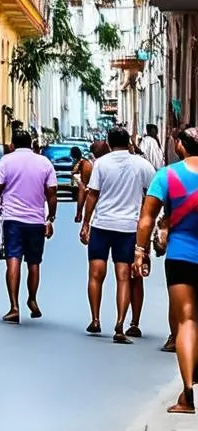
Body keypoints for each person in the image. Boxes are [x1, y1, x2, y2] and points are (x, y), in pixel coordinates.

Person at [134, 127, 198, 414]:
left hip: (181, 256)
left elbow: (147, 218)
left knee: (186, 321)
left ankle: (187, 394)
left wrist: (141, 251)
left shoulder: (166, 176)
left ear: (180, 147)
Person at [79, 126, 156, 343]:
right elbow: (152, 196)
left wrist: (86, 223)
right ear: (129, 142)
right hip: (129, 227)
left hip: (102, 224)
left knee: (95, 274)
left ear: (109, 143)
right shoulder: (143, 165)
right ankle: (121, 324)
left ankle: (95, 319)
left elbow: (92, 195)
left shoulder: (101, 163)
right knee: (124, 276)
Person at [0, 128, 58, 324]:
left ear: (12, 144)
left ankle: (14, 307)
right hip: (36, 220)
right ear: (31, 143)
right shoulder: (44, 163)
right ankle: (32, 299)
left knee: (13, 261)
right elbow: (52, 194)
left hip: (13, 220)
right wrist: (50, 218)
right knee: (34, 264)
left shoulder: (7, 161)